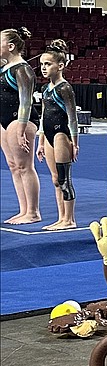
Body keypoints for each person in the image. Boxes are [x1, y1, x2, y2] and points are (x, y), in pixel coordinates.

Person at [37, 40, 80, 230]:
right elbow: (42, 116)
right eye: (41, 64)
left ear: (60, 66)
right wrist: (40, 141)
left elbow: (72, 118)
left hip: (62, 134)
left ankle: (69, 220)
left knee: (64, 178)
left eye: (48, 64)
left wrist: (75, 142)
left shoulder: (65, 88)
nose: (43, 68)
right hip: (47, 134)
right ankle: (61, 217)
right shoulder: (45, 89)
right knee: (55, 179)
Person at [1, 26, 40, 224]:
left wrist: (21, 129)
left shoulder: (23, 69)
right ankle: (23, 210)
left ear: (10, 46)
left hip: (21, 120)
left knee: (25, 166)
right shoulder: (4, 68)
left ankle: (33, 212)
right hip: (5, 120)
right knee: (13, 166)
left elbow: (26, 102)